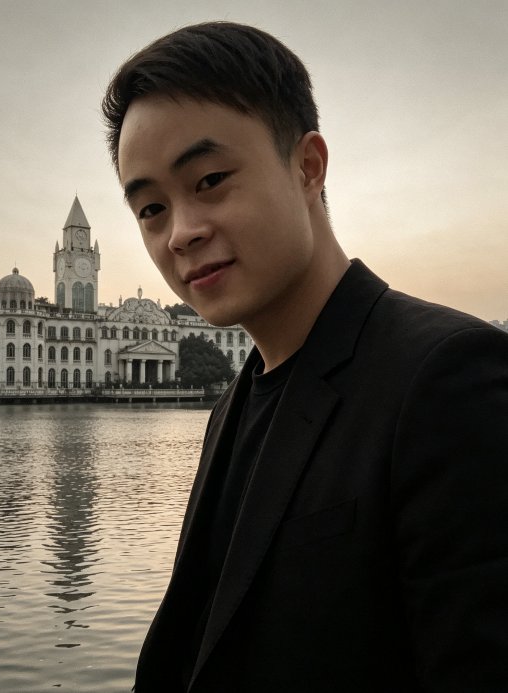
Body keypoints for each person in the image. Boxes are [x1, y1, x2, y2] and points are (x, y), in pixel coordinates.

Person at [102, 22, 508, 693]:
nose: (180, 233)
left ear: (308, 167)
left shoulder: (447, 377)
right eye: (150, 208)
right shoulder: (232, 406)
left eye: (210, 180)